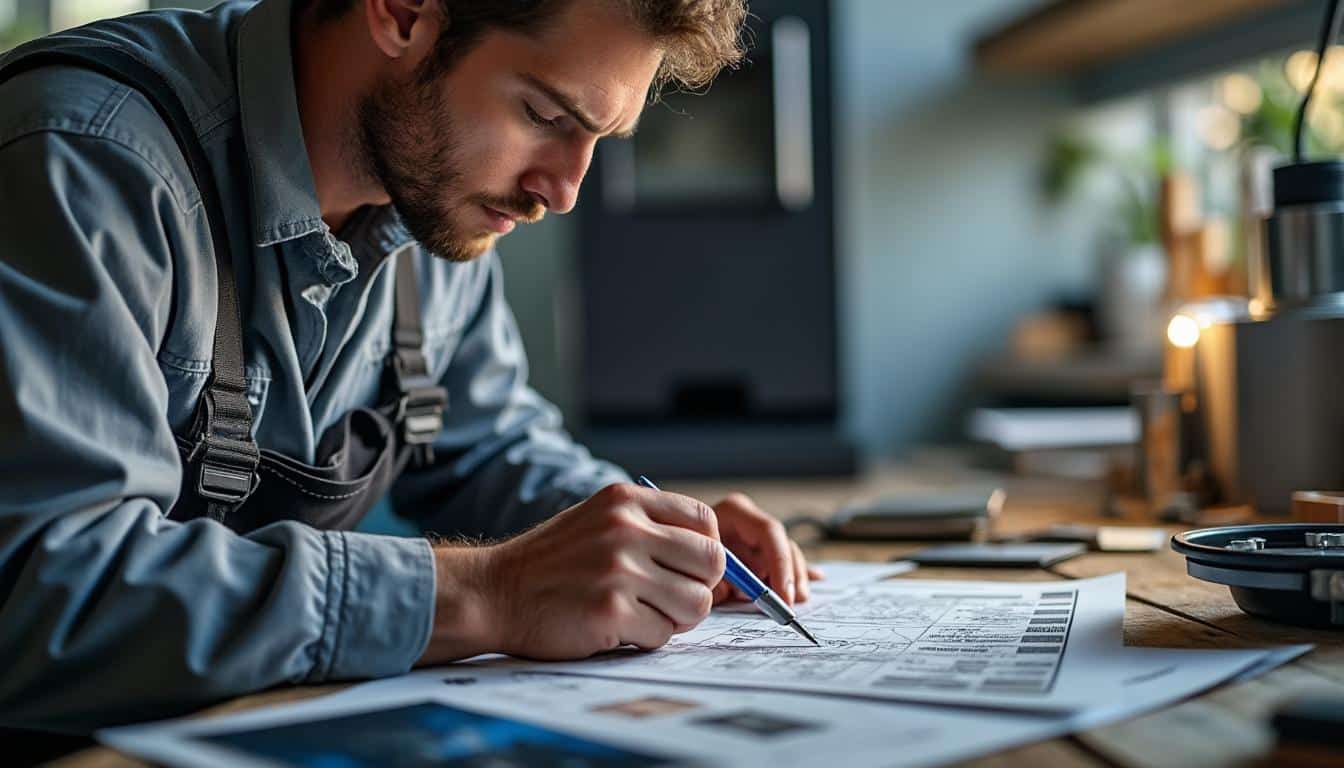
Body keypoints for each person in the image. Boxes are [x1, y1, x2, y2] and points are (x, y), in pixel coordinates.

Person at [0, 0, 818, 736]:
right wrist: (488, 593)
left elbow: (488, 446)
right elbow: (49, 595)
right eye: (542, 113)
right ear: (399, 13)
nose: (563, 190)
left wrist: (646, 539)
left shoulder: (437, 198)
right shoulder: (86, 161)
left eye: (598, 140)